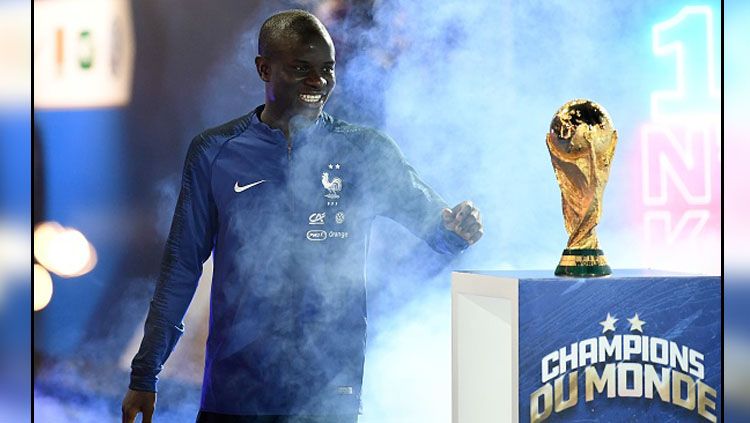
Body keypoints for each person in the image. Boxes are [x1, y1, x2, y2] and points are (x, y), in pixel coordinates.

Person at [121, 9, 482, 423]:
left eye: (327, 69)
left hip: (329, 396)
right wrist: (144, 374)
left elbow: (436, 228)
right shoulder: (215, 152)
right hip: (236, 395)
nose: (319, 82)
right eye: (301, 68)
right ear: (264, 69)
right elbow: (180, 270)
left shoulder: (364, 151)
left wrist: (457, 229)